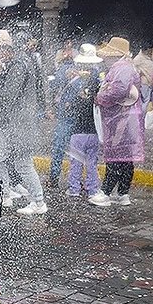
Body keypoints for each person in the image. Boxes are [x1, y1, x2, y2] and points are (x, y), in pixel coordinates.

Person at [0, 29, 47, 216]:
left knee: (22, 162)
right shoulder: (17, 63)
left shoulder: (18, 66)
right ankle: (4, 194)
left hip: (20, 123)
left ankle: (38, 201)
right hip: (13, 123)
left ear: (5, 49)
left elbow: (9, 96)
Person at [90, 37, 145, 206]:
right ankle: (123, 193)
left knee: (115, 156)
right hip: (126, 119)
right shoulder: (126, 67)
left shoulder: (122, 68)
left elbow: (118, 90)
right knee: (125, 157)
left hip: (121, 120)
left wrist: (100, 97)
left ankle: (106, 192)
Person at [47, 43, 90, 188]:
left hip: (67, 116)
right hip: (79, 117)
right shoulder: (91, 71)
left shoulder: (63, 70)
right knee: (78, 151)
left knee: (60, 147)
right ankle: (79, 181)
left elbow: (53, 85)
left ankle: (54, 178)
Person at [65, 52, 101, 198]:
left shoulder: (75, 84)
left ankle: (74, 189)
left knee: (76, 163)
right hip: (94, 133)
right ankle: (92, 189)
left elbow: (68, 105)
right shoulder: (98, 84)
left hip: (78, 133)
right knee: (92, 163)